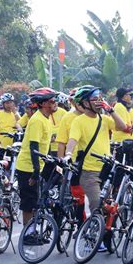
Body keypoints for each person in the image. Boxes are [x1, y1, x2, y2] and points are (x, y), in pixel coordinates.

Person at [64, 86, 126, 214]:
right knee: (96, 204)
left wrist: (110, 109)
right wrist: (68, 154)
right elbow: (72, 140)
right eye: (95, 100)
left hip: (107, 170)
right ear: (86, 103)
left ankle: (105, 232)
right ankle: (92, 232)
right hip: (89, 172)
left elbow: (122, 126)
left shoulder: (104, 119)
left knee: (109, 208)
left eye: (100, 99)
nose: (99, 102)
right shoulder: (79, 121)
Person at [15, 88, 56, 229]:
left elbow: (46, 145)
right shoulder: (37, 120)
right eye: (52, 101)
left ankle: (33, 230)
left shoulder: (46, 119)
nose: (55, 103)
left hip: (38, 165)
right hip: (28, 166)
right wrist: (35, 172)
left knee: (36, 200)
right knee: (28, 202)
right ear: (44, 104)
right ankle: (27, 233)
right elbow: (34, 148)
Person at [56, 87, 85, 228]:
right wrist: (61, 163)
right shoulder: (67, 117)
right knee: (70, 196)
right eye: (74, 100)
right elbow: (61, 142)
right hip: (72, 162)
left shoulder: (93, 116)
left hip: (91, 163)